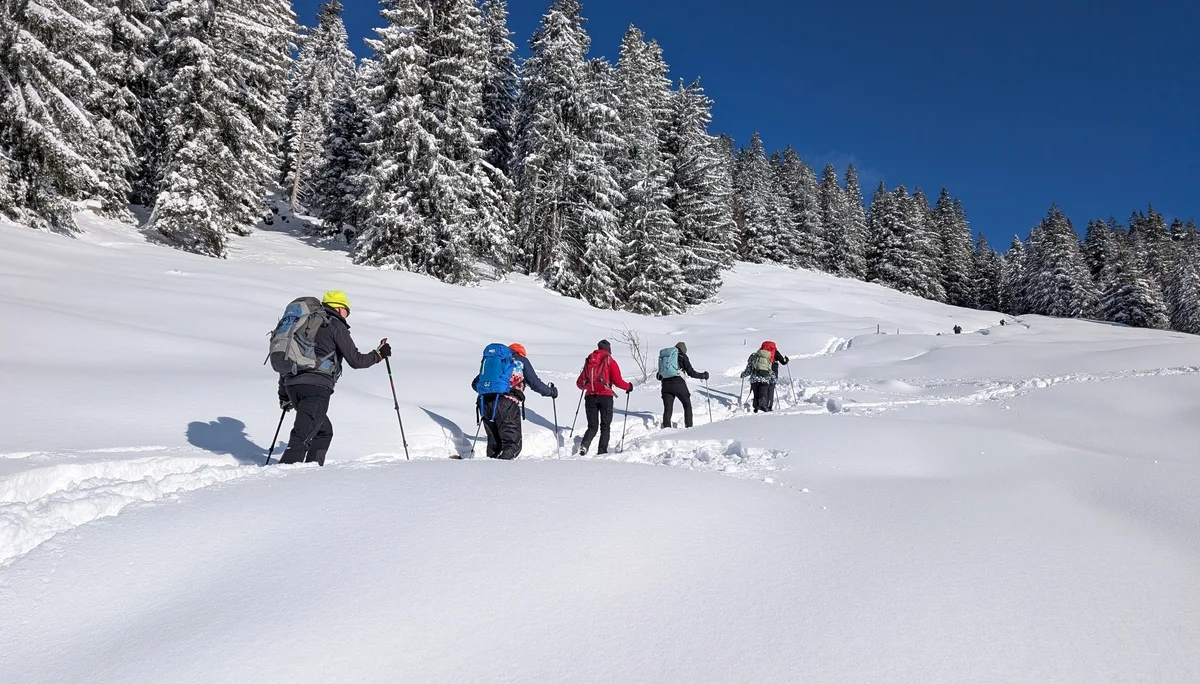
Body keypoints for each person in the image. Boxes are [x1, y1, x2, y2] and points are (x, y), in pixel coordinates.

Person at [277, 291, 390, 466]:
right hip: (316, 388)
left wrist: (284, 393)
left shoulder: (306, 324)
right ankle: (284, 478)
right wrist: (378, 355)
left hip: (293, 386)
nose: (347, 315)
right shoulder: (335, 325)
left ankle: (311, 471)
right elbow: (356, 360)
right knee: (302, 437)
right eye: (347, 310)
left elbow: (289, 357)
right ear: (339, 307)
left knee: (323, 431)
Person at [472, 343, 557, 460]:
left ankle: (490, 474)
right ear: (521, 353)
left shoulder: (495, 363)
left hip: (485, 403)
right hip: (507, 405)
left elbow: (475, 384)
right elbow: (535, 384)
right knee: (512, 446)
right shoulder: (521, 361)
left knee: (494, 446)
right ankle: (503, 475)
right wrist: (551, 392)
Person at [576, 340, 633, 456]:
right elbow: (617, 381)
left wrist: (587, 387)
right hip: (605, 397)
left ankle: (584, 445)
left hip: (590, 397)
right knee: (605, 426)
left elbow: (579, 383)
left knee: (592, 426)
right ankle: (602, 452)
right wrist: (628, 387)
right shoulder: (610, 361)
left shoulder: (589, 361)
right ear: (609, 349)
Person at [657, 342, 709, 429]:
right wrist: (703, 375)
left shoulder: (666, 357)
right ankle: (689, 427)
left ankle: (666, 429)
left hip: (665, 385)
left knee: (667, 409)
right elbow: (691, 373)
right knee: (687, 405)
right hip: (678, 384)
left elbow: (659, 375)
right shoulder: (682, 356)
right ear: (683, 350)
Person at [740, 341, 790, 413]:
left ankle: (756, 407)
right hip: (767, 377)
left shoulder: (757, 354)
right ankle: (768, 407)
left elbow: (749, 368)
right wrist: (786, 360)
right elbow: (783, 362)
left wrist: (744, 374)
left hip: (755, 378)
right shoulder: (774, 353)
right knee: (769, 391)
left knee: (756, 393)